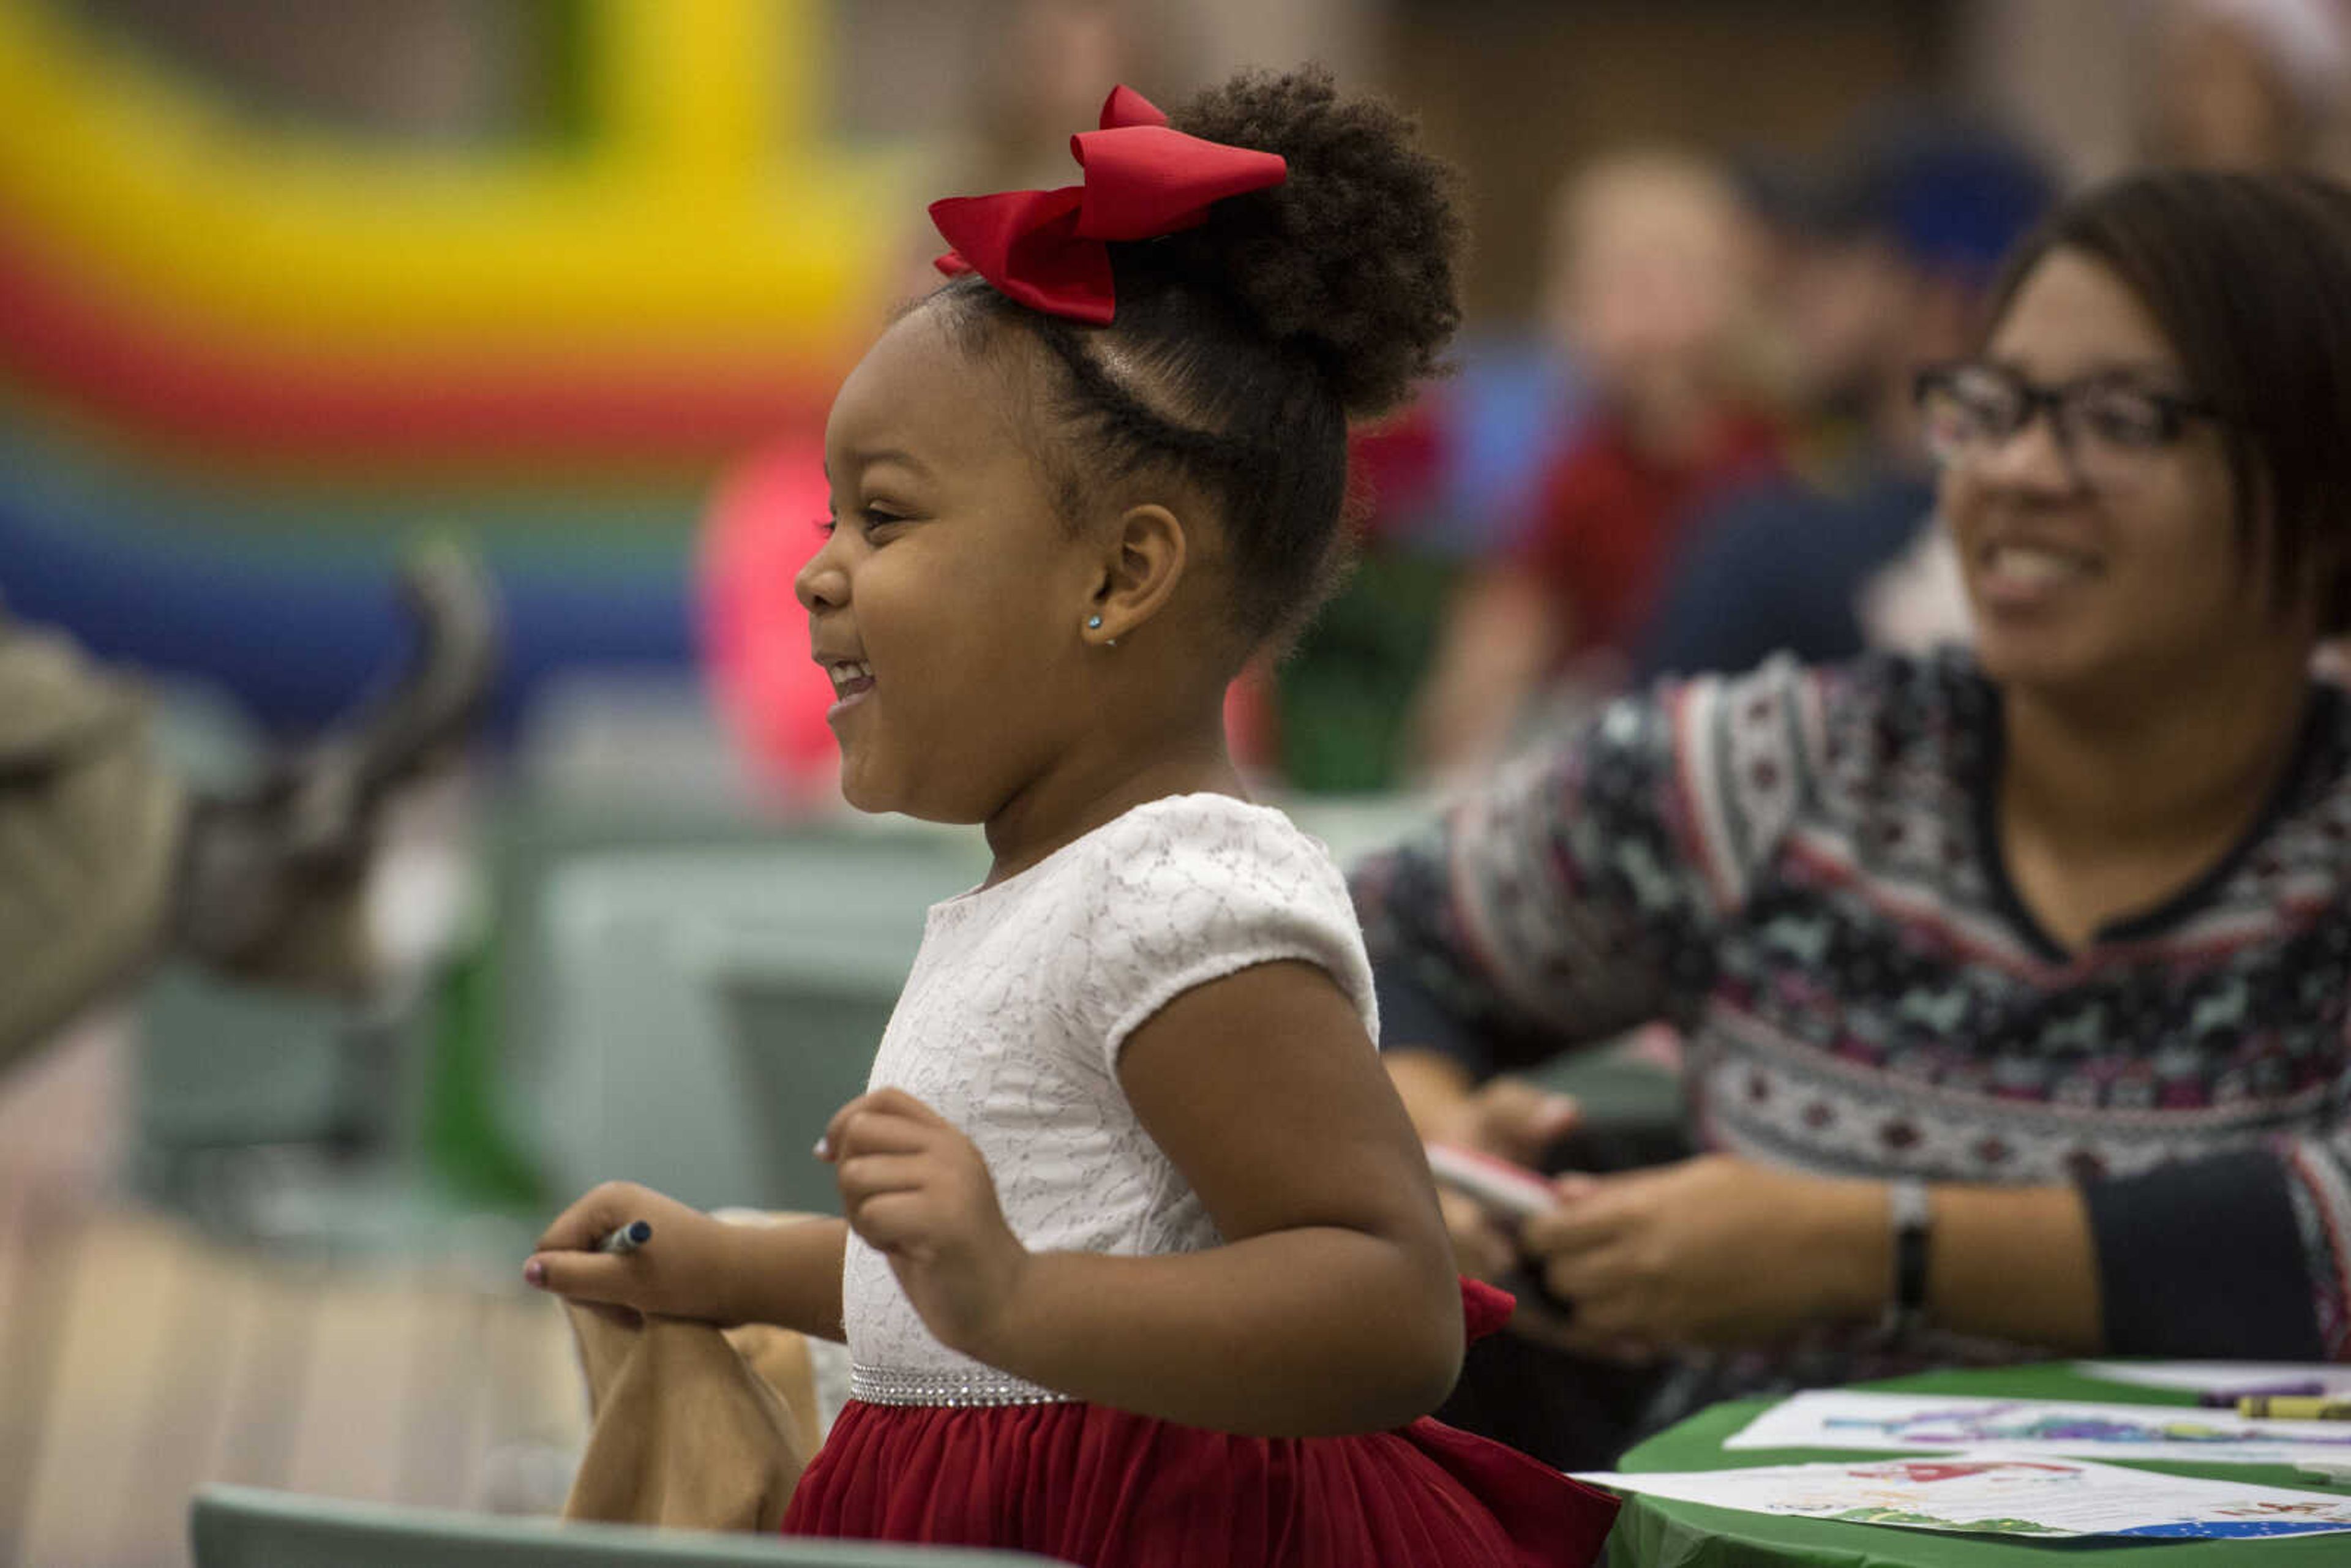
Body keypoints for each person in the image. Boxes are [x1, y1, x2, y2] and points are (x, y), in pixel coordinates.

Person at [522, 68, 1620, 1568]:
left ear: (1119, 574)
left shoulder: (1178, 893)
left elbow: (1386, 1300)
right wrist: (728, 1260)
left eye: (885, 516)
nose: (814, 570)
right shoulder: (1058, 878)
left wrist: (1015, 1296)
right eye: (830, 514)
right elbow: (1004, 1268)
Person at [1354, 167, 2351, 1472]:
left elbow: (2318, 1238)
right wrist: (1424, 1121)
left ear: (2319, 477)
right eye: (1991, 406)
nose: (2019, 472)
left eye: (2117, 418)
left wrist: (1866, 1244)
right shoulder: (1790, 768)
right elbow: (1374, 928)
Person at [1634, 111, 2054, 683]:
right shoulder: (2066, 521)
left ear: (1943, 294)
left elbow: (1649, 758)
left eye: (1840, 250)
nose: (1798, 286)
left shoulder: (1772, 547)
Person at [1409, 149, 1782, 774]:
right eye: (1620, 283)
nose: (1648, 310)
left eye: (1676, 278)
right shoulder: (1579, 476)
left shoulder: (1774, 457)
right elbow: (1499, 641)